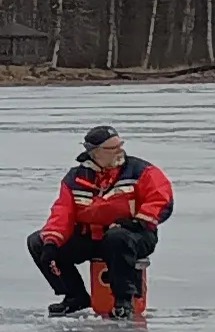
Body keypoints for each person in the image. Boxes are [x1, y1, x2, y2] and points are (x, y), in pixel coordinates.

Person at [30, 123, 174, 316]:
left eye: (120, 145)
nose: (119, 151)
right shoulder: (75, 178)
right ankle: (75, 297)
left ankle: (124, 301)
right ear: (95, 152)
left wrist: (138, 222)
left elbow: (162, 199)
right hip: (92, 236)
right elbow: (62, 212)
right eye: (112, 148)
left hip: (134, 235)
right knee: (38, 242)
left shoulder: (141, 171)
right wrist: (51, 242)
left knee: (117, 238)